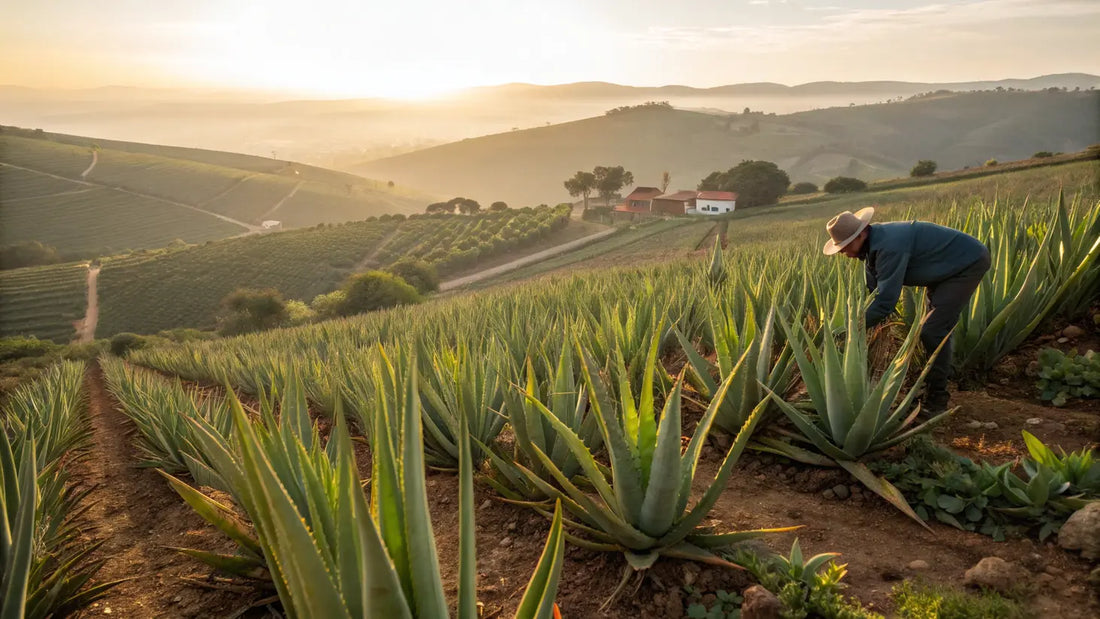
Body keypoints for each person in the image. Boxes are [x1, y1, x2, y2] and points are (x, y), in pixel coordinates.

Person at [822, 206, 991, 413]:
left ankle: (937, 399)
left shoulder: (889, 247)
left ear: (861, 234)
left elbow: (885, 302)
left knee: (933, 330)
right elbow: (874, 292)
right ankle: (935, 379)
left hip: (966, 263)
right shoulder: (872, 247)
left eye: (845, 246)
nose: (843, 252)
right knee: (931, 327)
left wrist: (849, 330)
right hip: (943, 269)